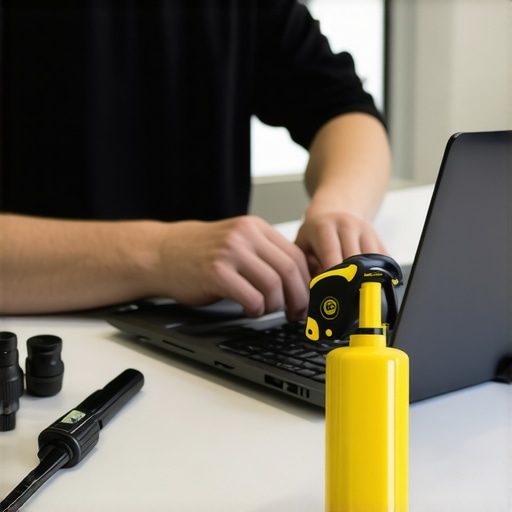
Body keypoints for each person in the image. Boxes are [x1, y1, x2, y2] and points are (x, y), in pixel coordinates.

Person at [0, 0, 391, 320]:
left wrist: (338, 209)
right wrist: (161, 254)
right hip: (49, 336)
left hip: (213, 322)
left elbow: (345, 111)